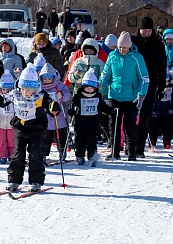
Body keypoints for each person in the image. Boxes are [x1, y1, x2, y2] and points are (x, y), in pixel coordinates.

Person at [0, 63, 59, 192]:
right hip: (20, 128)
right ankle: (14, 180)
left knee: (35, 155)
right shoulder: (16, 94)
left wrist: (54, 108)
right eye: (23, 89)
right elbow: (2, 101)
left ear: (35, 88)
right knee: (17, 155)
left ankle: (36, 181)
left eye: (28, 90)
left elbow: (51, 107)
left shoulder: (41, 96)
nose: (25, 93)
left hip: (36, 129)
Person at [100, 31, 149, 161]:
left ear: (129, 46)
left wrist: (141, 94)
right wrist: (98, 91)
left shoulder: (137, 58)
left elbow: (144, 78)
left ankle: (131, 152)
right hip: (114, 95)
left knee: (130, 125)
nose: (122, 50)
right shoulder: (112, 56)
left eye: (125, 47)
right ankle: (115, 152)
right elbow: (105, 76)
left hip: (131, 97)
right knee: (114, 124)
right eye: (120, 47)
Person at [131, 17, 166, 158]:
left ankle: (140, 148)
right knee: (131, 117)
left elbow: (162, 66)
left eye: (148, 30)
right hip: (133, 83)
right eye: (143, 30)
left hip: (150, 84)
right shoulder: (133, 41)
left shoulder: (158, 43)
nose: (145, 33)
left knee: (145, 116)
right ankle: (130, 145)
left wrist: (161, 85)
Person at [69, 68, 114, 166]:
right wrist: (72, 111)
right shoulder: (78, 96)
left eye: (91, 87)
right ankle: (80, 156)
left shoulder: (97, 96)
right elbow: (73, 106)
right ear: (83, 87)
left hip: (93, 123)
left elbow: (102, 106)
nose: (89, 89)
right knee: (80, 140)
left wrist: (110, 111)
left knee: (92, 140)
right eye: (87, 87)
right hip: (80, 122)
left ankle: (92, 155)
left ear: (95, 87)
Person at [39, 62, 70, 163]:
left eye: (49, 78)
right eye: (45, 79)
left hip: (59, 117)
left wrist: (62, 95)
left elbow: (67, 95)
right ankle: (43, 154)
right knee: (45, 138)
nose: (47, 81)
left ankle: (62, 152)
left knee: (61, 137)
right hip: (46, 118)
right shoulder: (40, 88)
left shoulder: (59, 85)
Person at [148, 68, 173, 149]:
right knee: (154, 124)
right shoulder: (155, 84)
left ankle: (167, 140)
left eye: (167, 80)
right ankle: (152, 140)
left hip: (168, 108)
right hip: (156, 107)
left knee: (167, 125)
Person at [0, 70, 16, 164]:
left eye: (9, 90)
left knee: (12, 140)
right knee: (1, 141)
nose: (6, 92)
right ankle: (2, 155)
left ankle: (13, 154)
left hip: (11, 124)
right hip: (0, 123)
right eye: (4, 89)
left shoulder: (14, 98)